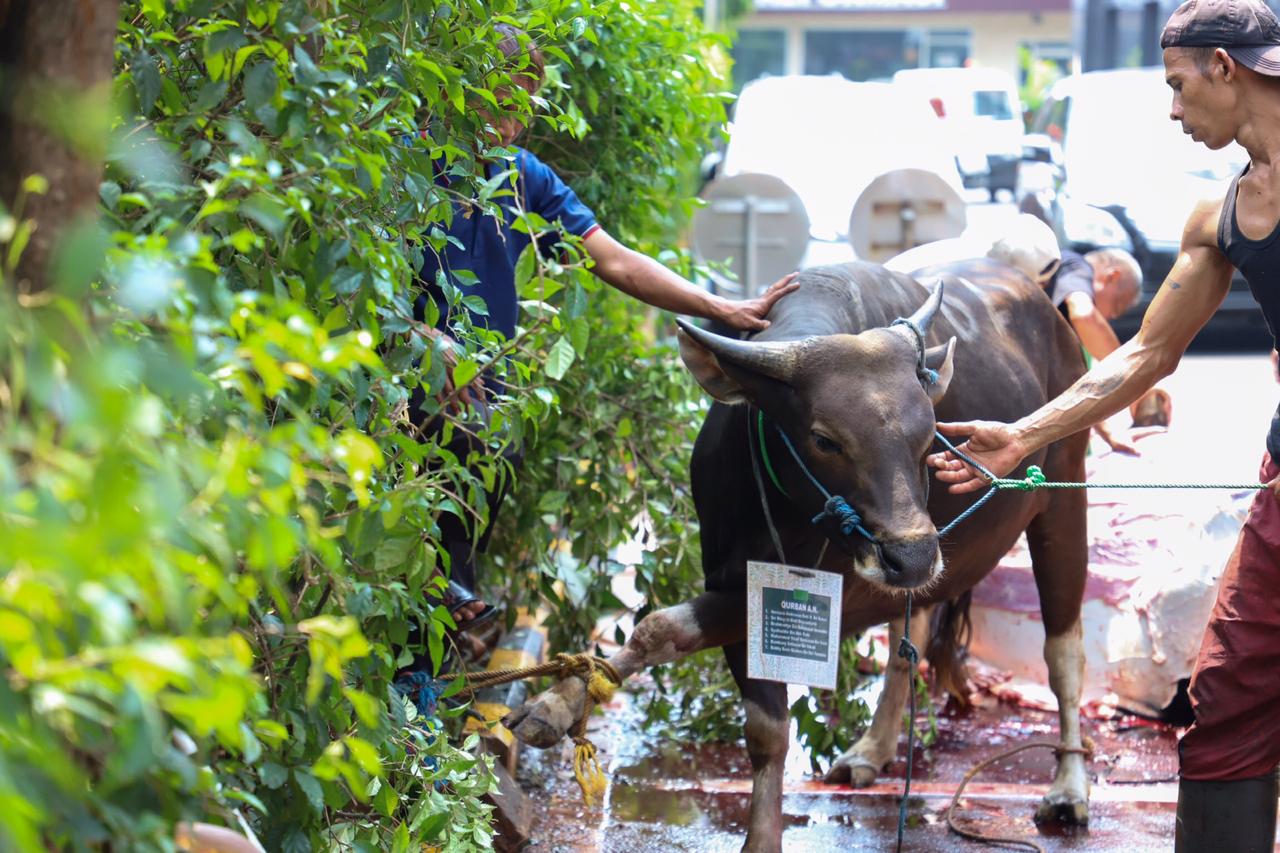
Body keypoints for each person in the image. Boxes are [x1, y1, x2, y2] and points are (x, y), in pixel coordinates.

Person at [927, 2, 1280, 848]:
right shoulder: (1224, 213)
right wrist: (1024, 434)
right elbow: (1142, 355)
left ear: (1226, 69)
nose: (1171, 109)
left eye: (1178, 84)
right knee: (1226, 702)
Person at [412, 25, 799, 634]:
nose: (509, 127)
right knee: (438, 466)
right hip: (404, 362)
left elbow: (615, 259)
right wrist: (424, 338)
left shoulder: (523, 176)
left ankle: (446, 606)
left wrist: (719, 308)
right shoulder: (411, 162)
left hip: (486, 375)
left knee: (493, 456)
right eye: (499, 106)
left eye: (522, 112)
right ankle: (436, 603)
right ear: (465, 89)